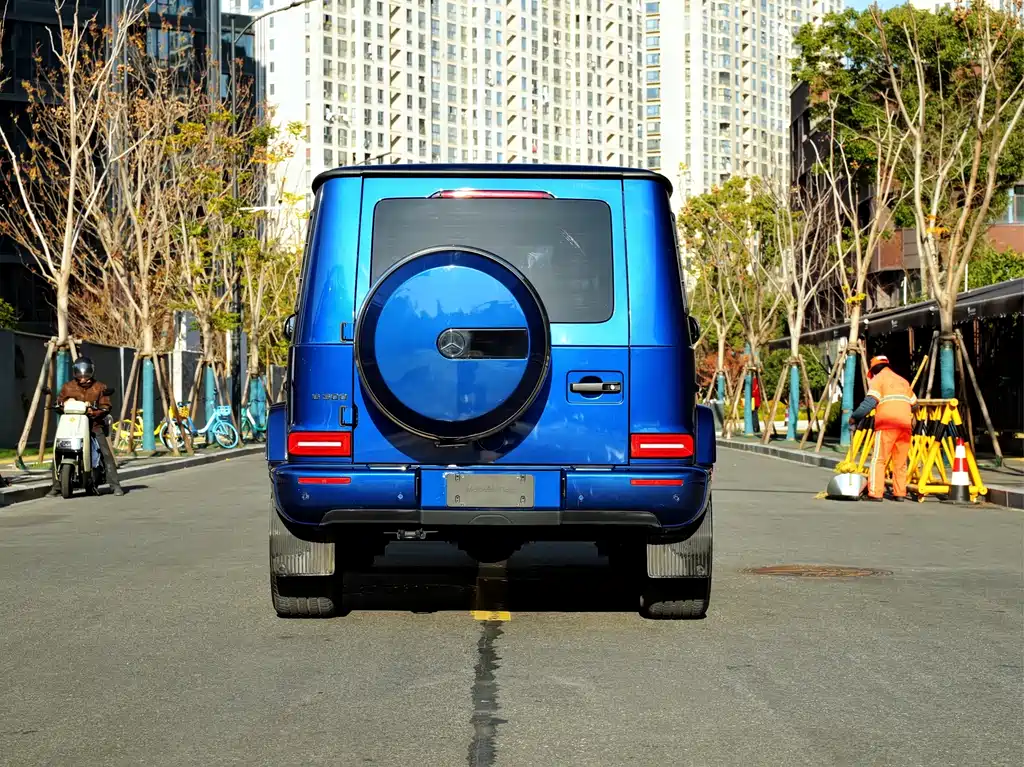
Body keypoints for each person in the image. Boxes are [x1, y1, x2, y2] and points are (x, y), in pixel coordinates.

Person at [48, 356, 124, 497]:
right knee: (58, 451)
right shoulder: (68, 387)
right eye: (80, 374)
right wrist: (59, 405)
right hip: (72, 426)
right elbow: (59, 403)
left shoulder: (100, 387)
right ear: (75, 373)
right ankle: (57, 486)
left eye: (86, 374)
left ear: (92, 372)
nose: (83, 378)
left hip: (93, 425)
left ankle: (115, 485)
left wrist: (95, 411)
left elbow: (106, 405)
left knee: (106, 453)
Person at [848, 355, 916, 503]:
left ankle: (875, 493)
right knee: (901, 462)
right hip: (905, 426)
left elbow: (869, 403)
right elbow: (914, 404)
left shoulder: (878, 379)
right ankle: (900, 493)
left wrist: (854, 417)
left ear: (873, 370)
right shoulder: (903, 381)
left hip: (886, 425)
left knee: (879, 460)